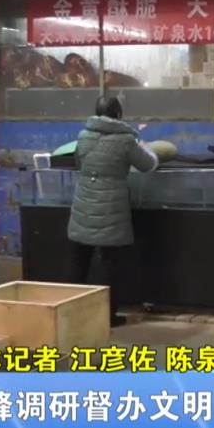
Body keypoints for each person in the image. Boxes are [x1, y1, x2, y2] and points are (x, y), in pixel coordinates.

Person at [67, 96, 160, 327]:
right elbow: (148, 165)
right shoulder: (126, 140)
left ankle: (71, 313)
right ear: (118, 114)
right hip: (110, 208)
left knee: (80, 263)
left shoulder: (83, 136)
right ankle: (108, 316)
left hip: (83, 204)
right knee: (110, 265)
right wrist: (147, 149)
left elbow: (79, 164)